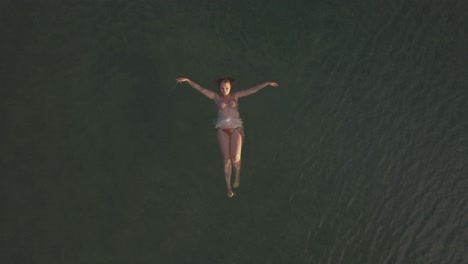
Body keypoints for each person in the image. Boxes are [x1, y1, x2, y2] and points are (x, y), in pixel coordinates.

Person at [175, 77, 279, 198]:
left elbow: (251, 90)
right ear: (219, 88)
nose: (224, 90)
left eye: (227, 88)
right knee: (226, 158)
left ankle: (237, 173)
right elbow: (201, 89)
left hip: (236, 128)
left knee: (235, 157)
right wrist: (188, 81)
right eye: (222, 88)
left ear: (230, 88)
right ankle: (228, 186)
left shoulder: (236, 95)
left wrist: (265, 83)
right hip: (222, 129)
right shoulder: (216, 97)